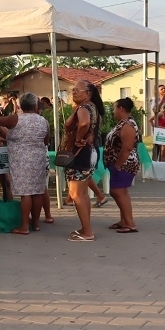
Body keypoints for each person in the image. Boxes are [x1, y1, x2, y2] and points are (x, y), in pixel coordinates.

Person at [0, 92, 49, 235]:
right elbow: (46, 140)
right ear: (35, 105)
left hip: (21, 160)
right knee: (37, 192)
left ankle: (24, 226)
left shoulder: (16, 119)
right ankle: (36, 223)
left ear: (20, 105)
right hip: (39, 158)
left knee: (26, 193)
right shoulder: (43, 121)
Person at [63, 80, 104, 242]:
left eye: (76, 90)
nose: (73, 92)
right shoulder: (93, 108)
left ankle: (87, 232)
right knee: (83, 193)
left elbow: (84, 123)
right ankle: (86, 228)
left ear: (88, 93)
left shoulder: (83, 108)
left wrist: (78, 138)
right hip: (91, 151)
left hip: (81, 153)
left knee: (76, 193)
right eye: (73, 90)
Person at [104, 98, 140, 233]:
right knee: (122, 192)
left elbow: (127, 147)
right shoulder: (124, 123)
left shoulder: (128, 125)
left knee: (117, 191)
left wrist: (118, 164)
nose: (113, 112)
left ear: (121, 109)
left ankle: (130, 223)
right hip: (120, 163)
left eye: (114, 108)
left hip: (125, 164)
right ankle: (124, 220)